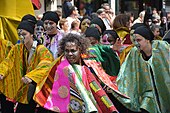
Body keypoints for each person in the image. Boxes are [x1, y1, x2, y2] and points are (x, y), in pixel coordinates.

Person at [33, 33, 120, 113]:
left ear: (80, 50)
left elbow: (100, 81)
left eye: (73, 51)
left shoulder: (88, 64)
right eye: (67, 51)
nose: (70, 54)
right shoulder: (59, 67)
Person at [0, 20, 54, 113]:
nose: (21, 37)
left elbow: (46, 63)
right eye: (19, 34)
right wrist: (2, 72)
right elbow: (8, 61)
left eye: (24, 34)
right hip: (25, 88)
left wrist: (32, 76)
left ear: (32, 35)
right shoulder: (17, 48)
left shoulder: (41, 49)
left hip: (39, 88)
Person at [116, 25, 170, 113]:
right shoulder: (134, 52)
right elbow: (125, 73)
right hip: (147, 94)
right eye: (135, 40)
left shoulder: (162, 47)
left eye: (139, 40)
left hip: (166, 90)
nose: (136, 43)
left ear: (147, 39)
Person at [0, 38, 13, 113]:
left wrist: (2, 71)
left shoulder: (8, 45)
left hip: (6, 85)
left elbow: (10, 60)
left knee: (7, 109)